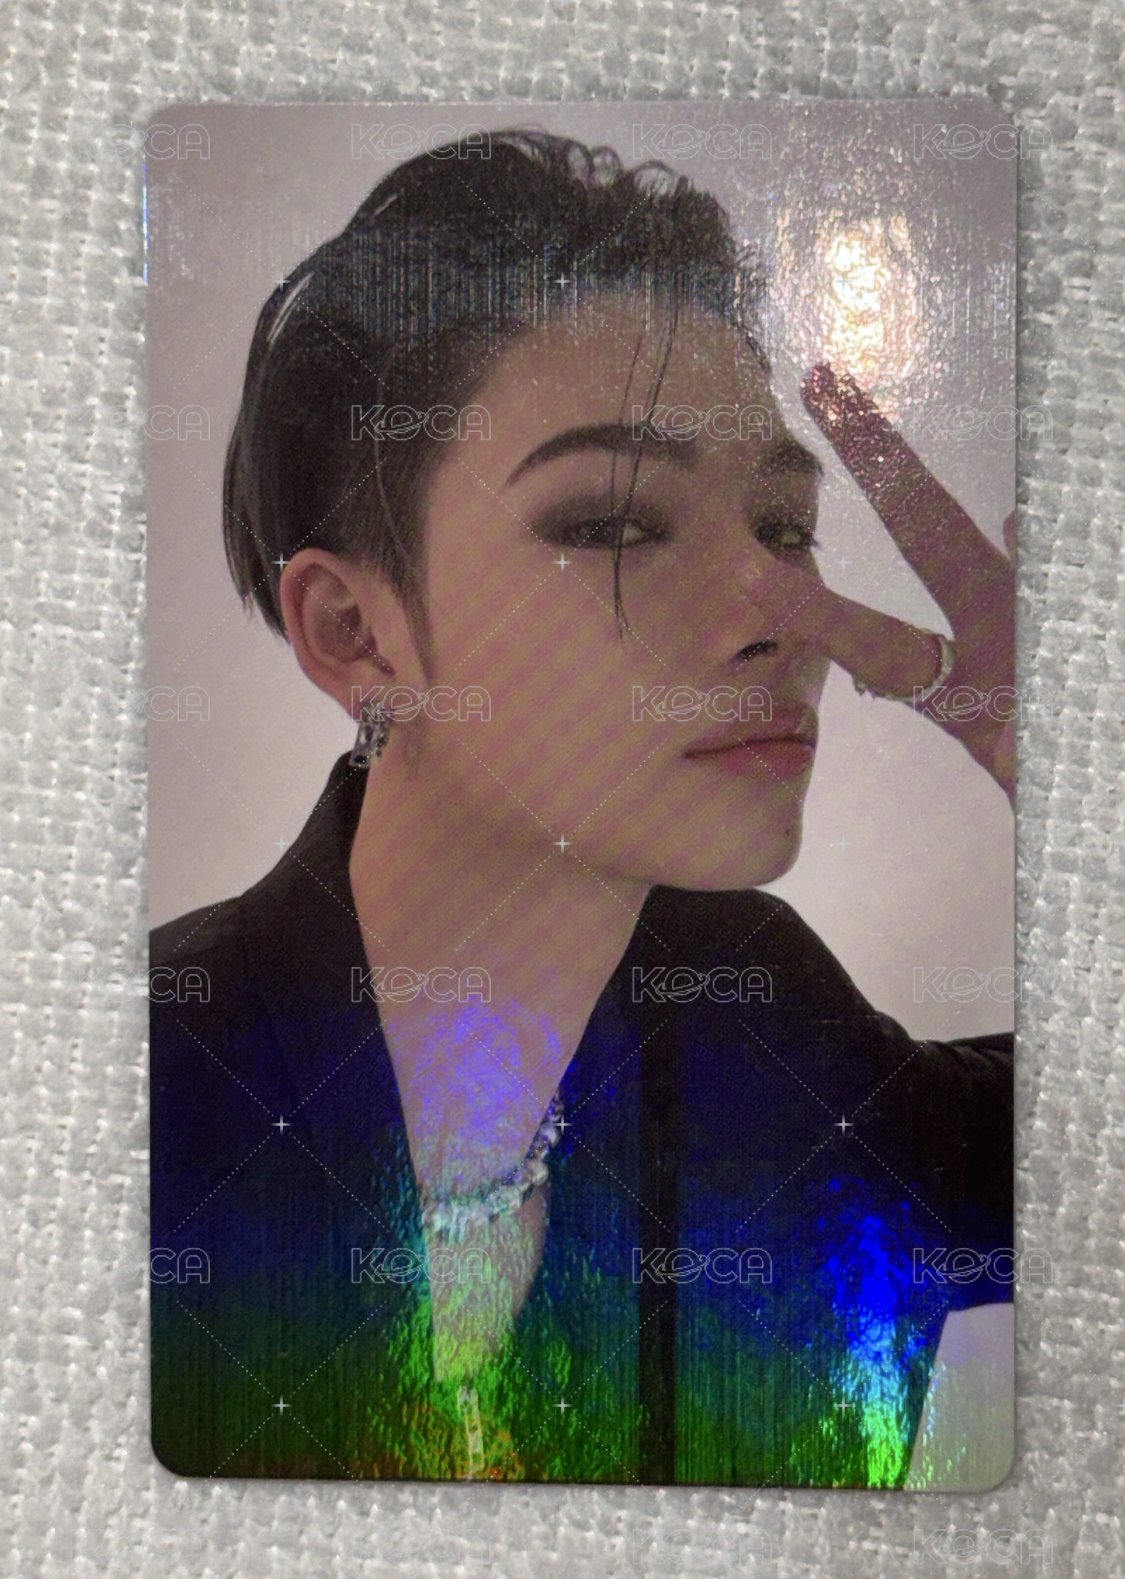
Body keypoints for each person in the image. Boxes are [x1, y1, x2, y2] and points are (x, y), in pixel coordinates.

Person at [150, 129, 1014, 1487]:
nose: (781, 618)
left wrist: (1074, 774)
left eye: (784, 529)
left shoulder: (774, 1033)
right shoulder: (118, 1082)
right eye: (613, 523)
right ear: (353, 630)